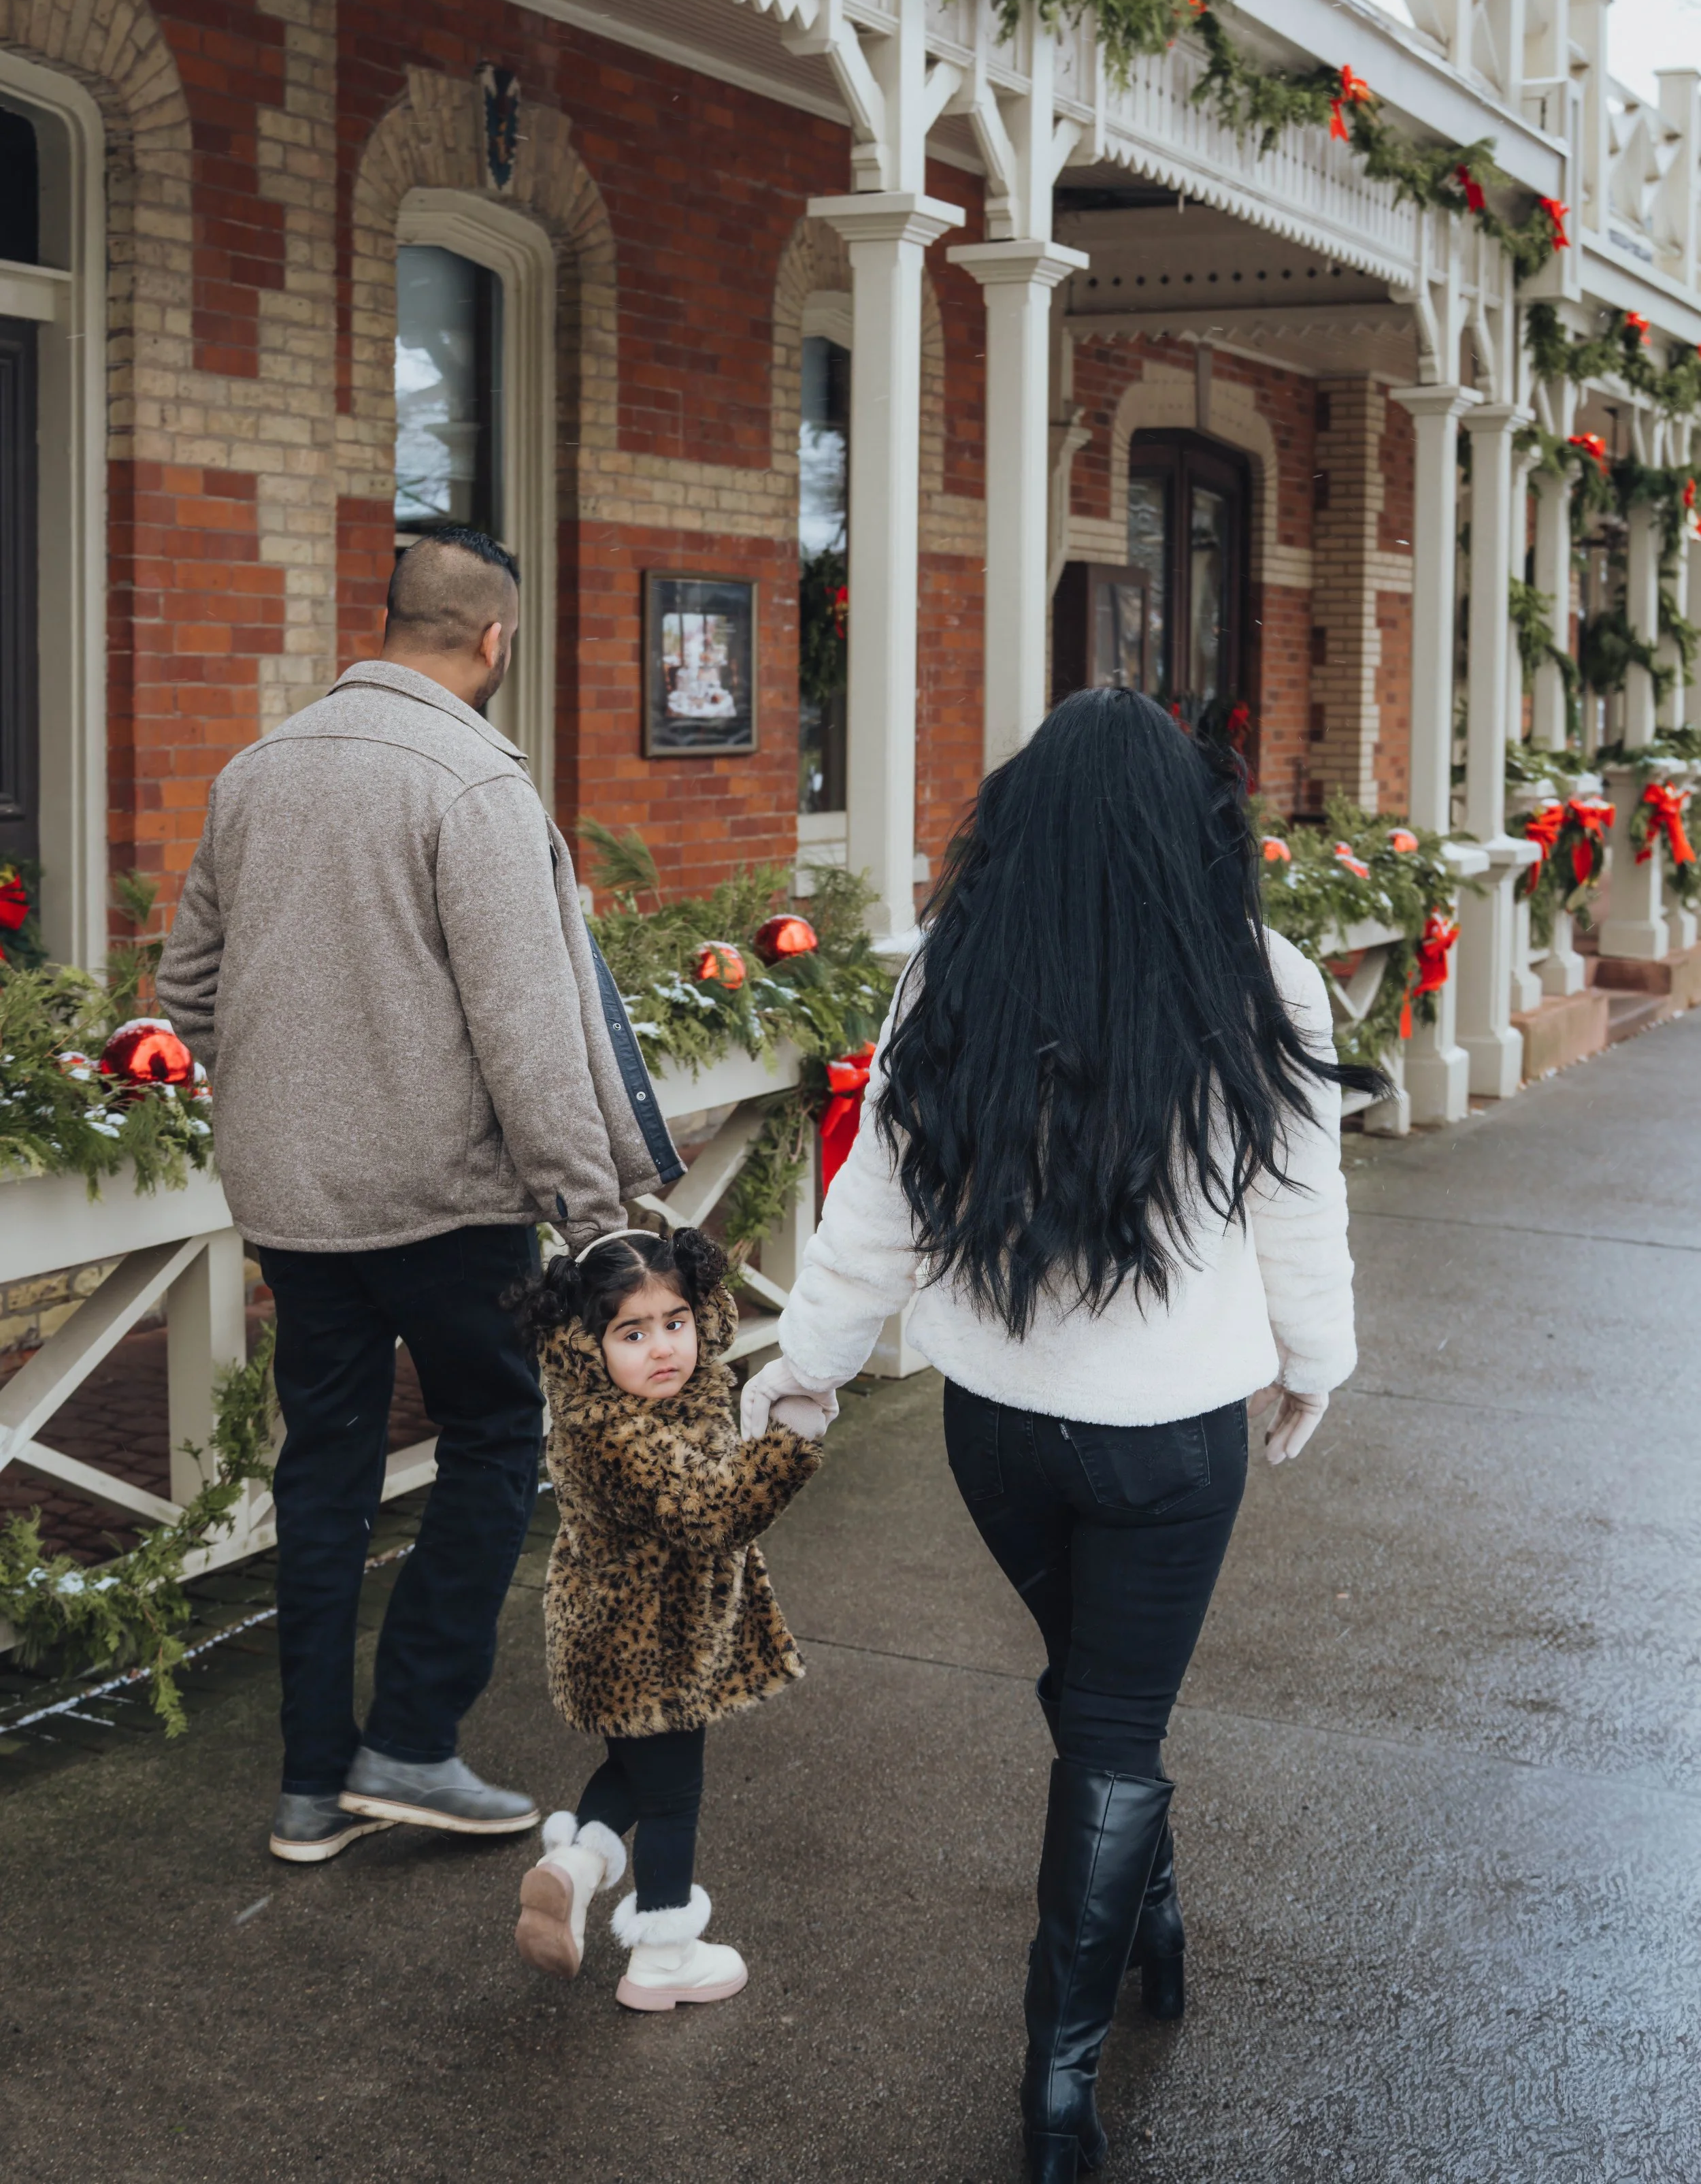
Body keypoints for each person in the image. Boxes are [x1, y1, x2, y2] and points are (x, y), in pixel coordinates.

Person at [742, 689, 1364, 2184]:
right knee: (1111, 1723)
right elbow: (1295, 1206)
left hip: (997, 1432)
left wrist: (805, 1370)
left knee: (1094, 1701)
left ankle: (1140, 1911)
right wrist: (1315, 1364)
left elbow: (872, 1203)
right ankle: (1057, 2091)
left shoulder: (951, 967)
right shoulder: (1259, 977)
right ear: (1187, 829)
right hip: (1165, 1440)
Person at [156, 527, 682, 1867]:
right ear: (493, 641)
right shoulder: (475, 786)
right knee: (498, 1436)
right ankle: (410, 1741)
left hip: (293, 1202)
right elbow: (527, 1040)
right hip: (448, 1204)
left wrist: (286, 1096)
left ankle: (309, 1792)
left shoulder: (253, 772)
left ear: (388, 622)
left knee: (322, 1474)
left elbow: (184, 993)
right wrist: (597, 1226)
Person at [507, 1226, 823, 2010]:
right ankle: (664, 1958)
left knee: (633, 1771)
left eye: (674, 1322)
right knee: (675, 1794)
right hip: (654, 1643)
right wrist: (788, 1446)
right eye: (632, 1332)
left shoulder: (654, 1399)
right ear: (587, 1342)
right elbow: (713, 1509)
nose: (662, 1349)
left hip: (619, 1635)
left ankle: (573, 1870)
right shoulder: (617, 1428)